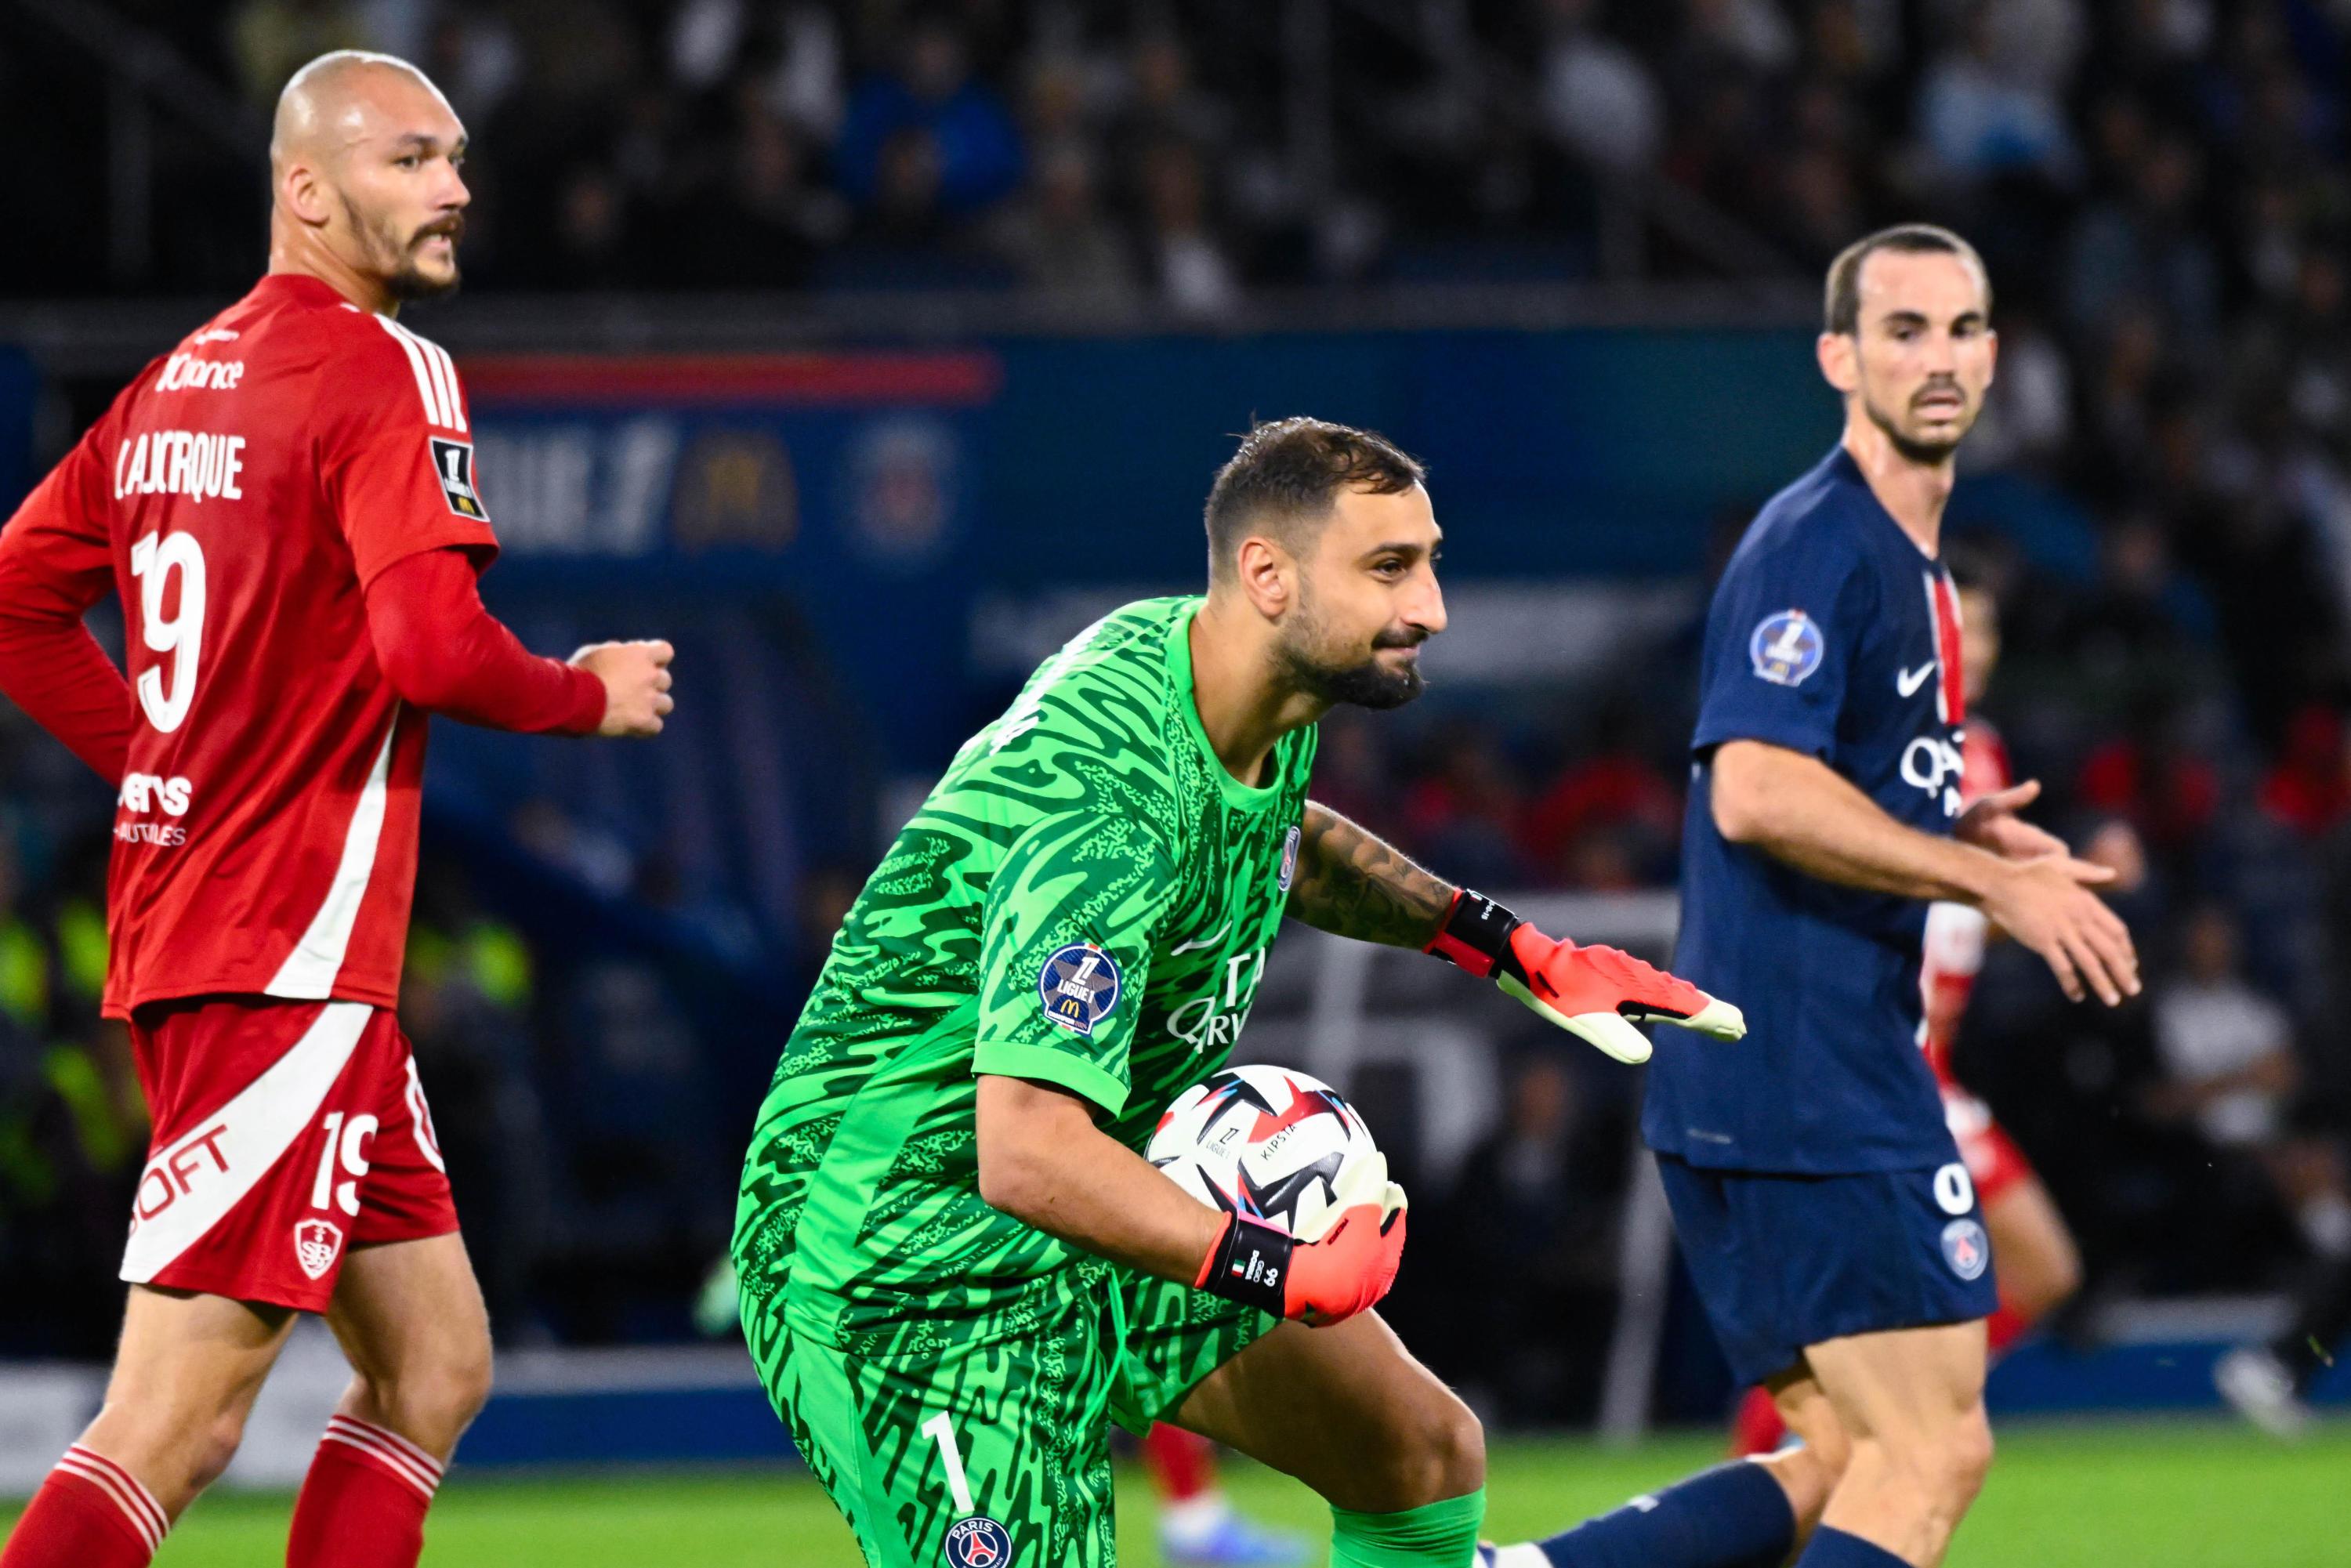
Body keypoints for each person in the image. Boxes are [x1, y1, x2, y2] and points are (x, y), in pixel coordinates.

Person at [730, 416, 1745, 1568]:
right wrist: (1278, 1265)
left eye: (1429, 560)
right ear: (1268, 574)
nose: (1431, 609)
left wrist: (1510, 948)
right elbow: (1025, 1147)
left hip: (1073, 1207)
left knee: (1415, 1451)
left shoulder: (1230, 685)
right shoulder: (1107, 810)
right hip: (900, 1261)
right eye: (1388, 568)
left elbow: (1281, 842)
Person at [0, 50, 674, 1568]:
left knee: (434, 1363)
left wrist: (161, 765)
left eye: (455, 160)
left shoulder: (169, 384)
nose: (455, 190)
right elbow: (428, 649)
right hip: (281, 954)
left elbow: (16, 600)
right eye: (410, 161)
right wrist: (583, 693)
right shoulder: (387, 367)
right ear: (305, 191)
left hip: (265, 946)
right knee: (173, 1420)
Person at [1485, 226, 2139, 1568]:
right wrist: (1978, 881)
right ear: (1839, 356)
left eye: (1963, 329)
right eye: (1903, 329)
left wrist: (1946, 820)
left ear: (1997, 355)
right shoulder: (1822, 543)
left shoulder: (1912, 574)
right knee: (1932, 1450)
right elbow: (1756, 793)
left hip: (1780, 1069)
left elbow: (1821, 778)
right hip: (1813, 1066)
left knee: (1841, 1454)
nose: (1939, 357)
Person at [1728, 567, 2087, 1457]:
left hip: (1925, 1063)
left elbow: (1956, 917)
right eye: (1957, 626)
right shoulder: (1869, 743)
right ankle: (1771, 1481)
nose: (1978, 645)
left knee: (2032, 1269)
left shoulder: (1987, 753)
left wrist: (2034, 899)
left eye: (1989, 627)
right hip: (1860, 1055)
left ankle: (1842, 1447)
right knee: (1861, 1306)